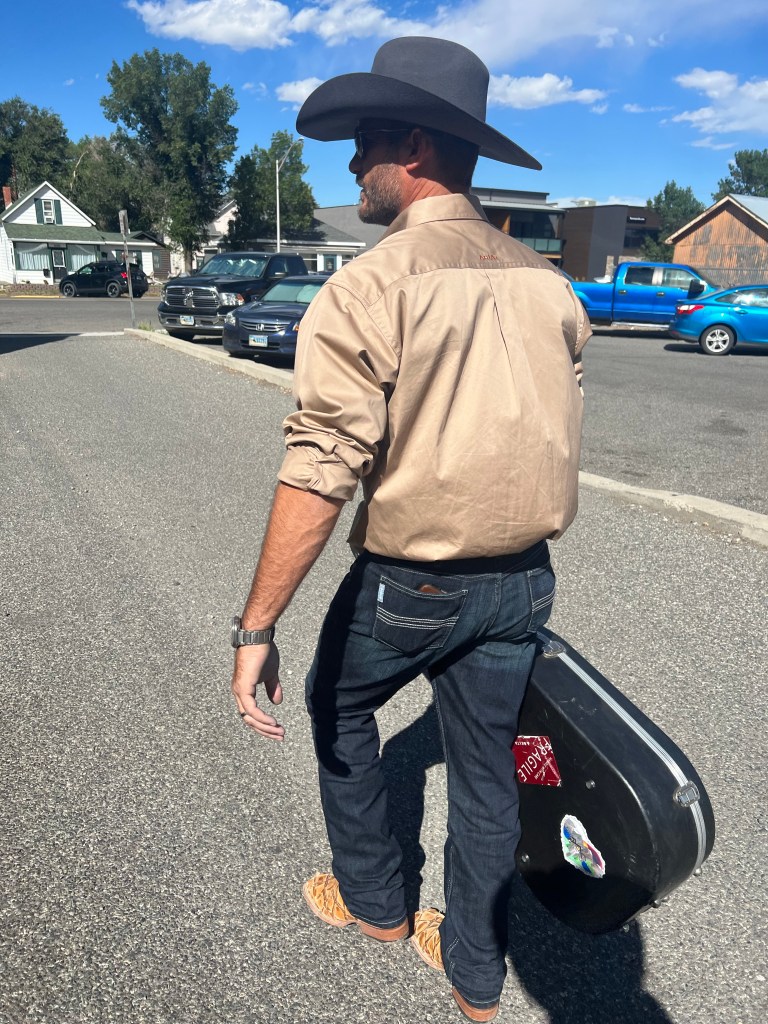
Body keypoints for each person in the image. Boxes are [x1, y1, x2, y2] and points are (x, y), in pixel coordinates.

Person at [230, 36, 589, 1023]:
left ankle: (378, 903)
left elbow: (321, 468)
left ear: (416, 148)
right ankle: (476, 978)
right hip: (526, 579)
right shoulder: (551, 284)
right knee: (486, 771)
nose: (352, 162)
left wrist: (256, 625)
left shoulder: (368, 285)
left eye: (366, 141)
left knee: (336, 704)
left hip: (414, 581)